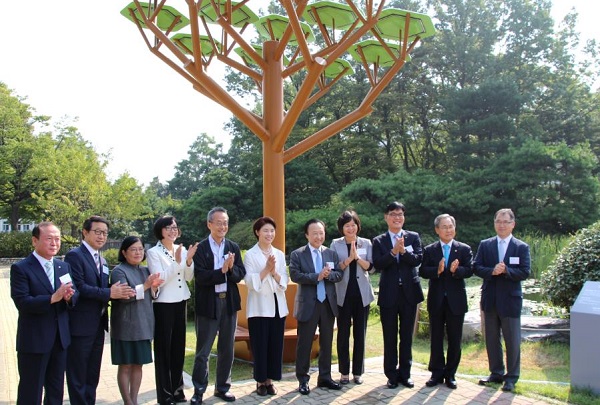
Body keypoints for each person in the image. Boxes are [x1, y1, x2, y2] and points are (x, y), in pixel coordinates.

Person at [65, 216, 135, 405]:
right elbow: (79, 286)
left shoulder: (102, 260)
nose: (102, 236)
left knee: (93, 375)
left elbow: (106, 289)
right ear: (85, 232)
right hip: (80, 326)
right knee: (78, 375)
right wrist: (110, 292)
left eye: (104, 233)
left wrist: (122, 291)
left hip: (98, 325)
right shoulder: (75, 256)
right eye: (97, 232)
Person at [10, 221, 77, 404]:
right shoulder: (21, 268)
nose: (54, 243)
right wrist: (52, 298)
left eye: (57, 239)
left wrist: (70, 297)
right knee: (31, 391)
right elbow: (22, 302)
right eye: (49, 239)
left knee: (56, 391)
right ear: (34, 240)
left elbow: (74, 294)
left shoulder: (63, 267)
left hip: (60, 340)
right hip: (34, 340)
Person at [191, 207, 246, 404]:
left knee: (227, 348)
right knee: (203, 351)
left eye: (225, 222)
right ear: (209, 224)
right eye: (219, 222)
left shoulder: (233, 247)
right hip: (208, 304)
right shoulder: (200, 248)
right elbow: (200, 276)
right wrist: (221, 271)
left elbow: (240, 273)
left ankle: (222, 388)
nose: (223, 226)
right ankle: (198, 390)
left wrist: (230, 270)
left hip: (228, 303)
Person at [474, 208, 531, 392]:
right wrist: (491, 271)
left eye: (506, 221)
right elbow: (476, 267)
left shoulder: (521, 247)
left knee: (512, 340)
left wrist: (506, 271)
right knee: (491, 339)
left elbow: (525, 271)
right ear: (494, 223)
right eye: (498, 221)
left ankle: (512, 378)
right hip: (490, 300)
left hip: (510, 301)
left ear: (513, 224)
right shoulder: (485, 244)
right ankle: (496, 373)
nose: (502, 225)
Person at [146, 216, 198, 405]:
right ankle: (165, 394)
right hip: (164, 303)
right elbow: (159, 279)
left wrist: (189, 260)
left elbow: (188, 277)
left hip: (181, 300)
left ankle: (178, 391)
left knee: (178, 348)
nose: (172, 231)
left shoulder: (181, 249)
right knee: (163, 350)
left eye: (175, 227)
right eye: (168, 227)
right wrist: (177, 263)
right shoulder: (153, 252)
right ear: (160, 231)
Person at [372, 201, 424, 389]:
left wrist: (404, 252)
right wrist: (394, 252)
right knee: (390, 336)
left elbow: (418, 259)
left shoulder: (413, 237)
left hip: (409, 293)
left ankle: (405, 374)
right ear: (386, 217)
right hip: (389, 294)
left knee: (406, 336)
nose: (397, 218)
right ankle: (391, 375)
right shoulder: (379, 240)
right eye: (393, 214)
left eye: (400, 214)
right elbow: (378, 264)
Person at [289, 218, 343, 395]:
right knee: (304, 344)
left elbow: (339, 274)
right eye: (314, 233)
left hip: (327, 304)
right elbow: (296, 275)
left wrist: (328, 276)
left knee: (327, 342)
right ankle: (303, 380)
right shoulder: (298, 254)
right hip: (308, 304)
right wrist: (317, 276)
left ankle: (325, 377)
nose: (318, 236)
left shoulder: (330, 253)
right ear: (307, 235)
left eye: (321, 233)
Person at [419, 214, 473, 389]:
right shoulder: (430, 250)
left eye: (451, 226)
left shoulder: (464, 249)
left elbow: (470, 269)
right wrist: (438, 270)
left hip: (456, 301)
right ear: (437, 230)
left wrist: (457, 270)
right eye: (444, 227)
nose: (448, 230)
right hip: (436, 300)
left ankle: (451, 374)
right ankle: (436, 373)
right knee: (435, 338)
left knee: (455, 339)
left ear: (454, 229)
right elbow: (423, 271)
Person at [110, 236, 164, 405]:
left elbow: (152, 296)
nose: (138, 252)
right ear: (124, 252)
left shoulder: (145, 270)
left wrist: (154, 287)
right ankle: (127, 401)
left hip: (144, 324)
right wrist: (147, 286)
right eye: (133, 249)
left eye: (141, 249)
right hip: (125, 326)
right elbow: (125, 296)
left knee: (138, 364)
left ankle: (134, 400)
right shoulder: (119, 271)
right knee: (125, 365)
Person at [243, 217, 289, 396]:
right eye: (265, 231)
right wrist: (266, 270)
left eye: (271, 230)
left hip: (278, 307)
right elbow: (249, 282)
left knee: (275, 345)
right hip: (259, 308)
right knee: (260, 345)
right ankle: (260, 382)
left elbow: (284, 279)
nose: (269, 234)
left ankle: (270, 380)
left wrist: (275, 272)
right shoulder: (250, 255)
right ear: (257, 233)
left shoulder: (279, 253)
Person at [330, 210, 374, 385]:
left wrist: (358, 259)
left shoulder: (366, 243)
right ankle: (343, 372)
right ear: (342, 228)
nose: (350, 228)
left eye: (353, 224)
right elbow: (334, 268)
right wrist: (349, 259)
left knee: (360, 334)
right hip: (343, 295)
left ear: (358, 225)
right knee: (343, 334)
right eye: (347, 225)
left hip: (362, 295)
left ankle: (358, 372)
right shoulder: (335, 244)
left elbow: (371, 268)